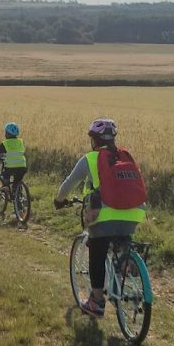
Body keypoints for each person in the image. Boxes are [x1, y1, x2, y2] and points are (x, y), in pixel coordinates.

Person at [53, 118, 146, 317]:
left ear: (94, 140)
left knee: (97, 250)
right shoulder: (125, 156)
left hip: (103, 215)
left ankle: (96, 301)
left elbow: (69, 183)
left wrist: (59, 200)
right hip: (135, 212)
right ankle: (127, 270)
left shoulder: (90, 158)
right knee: (121, 242)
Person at [0, 122, 27, 199]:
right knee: (17, 181)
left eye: (6, 132)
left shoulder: (5, 143)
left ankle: (6, 186)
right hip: (22, 167)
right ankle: (18, 201)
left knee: (4, 174)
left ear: (8, 133)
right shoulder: (21, 142)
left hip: (10, 167)